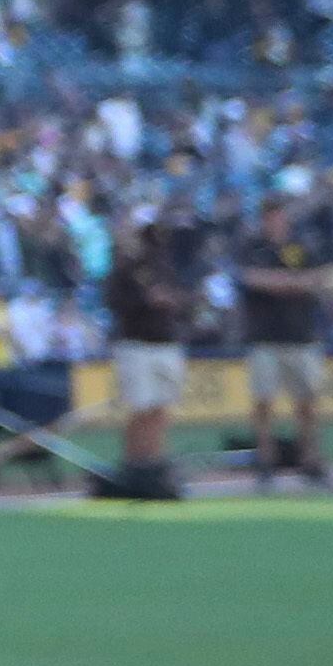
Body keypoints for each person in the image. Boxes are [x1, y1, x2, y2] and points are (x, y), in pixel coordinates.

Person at [234, 193, 333, 490]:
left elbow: (323, 276)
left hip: (301, 334)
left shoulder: (303, 246)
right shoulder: (253, 247)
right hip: (265, 336)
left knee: (307, 401)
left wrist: (286, 282)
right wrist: (295, 282)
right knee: (263, 401)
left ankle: (311, 459)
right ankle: (266, 461)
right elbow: (253, 278)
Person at [99, 209, 193, 499]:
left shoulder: (164, 263)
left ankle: (153, 461)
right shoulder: (123, 266)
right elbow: (114, 300)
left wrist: (172, 300)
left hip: (164, 342)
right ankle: (136, 464)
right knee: (140, 407)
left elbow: (182, 299)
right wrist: (146, 300)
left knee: (160, 406)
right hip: (137, 342)